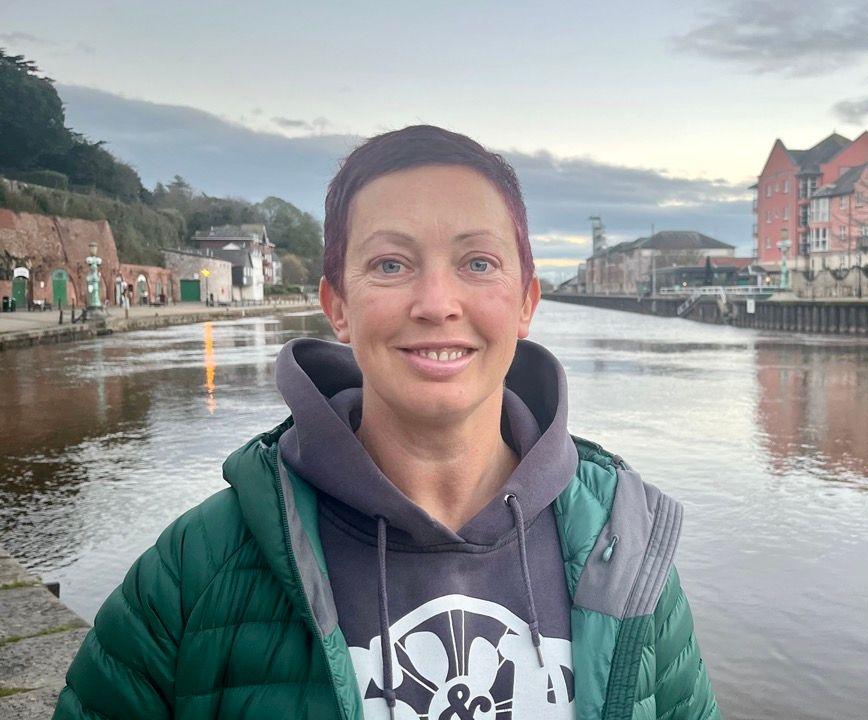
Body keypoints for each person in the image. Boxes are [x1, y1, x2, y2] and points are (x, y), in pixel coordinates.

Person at [53, 125, 720, 720]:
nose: (436, 303)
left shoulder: (627, 559)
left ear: (526, 302)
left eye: (478, 263)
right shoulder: (192, 573)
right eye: (390, 264)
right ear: (337, 306)